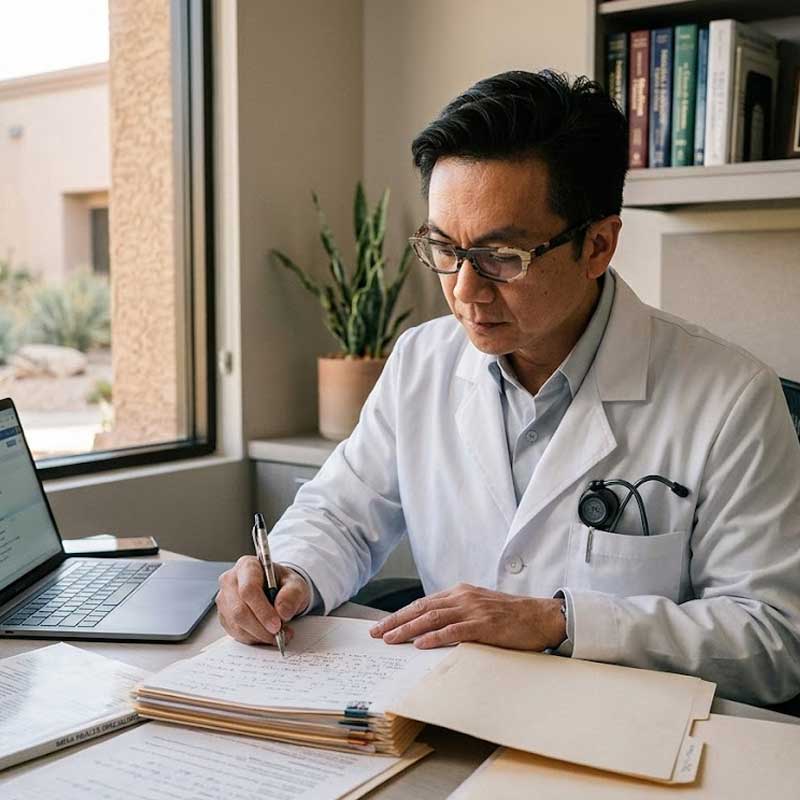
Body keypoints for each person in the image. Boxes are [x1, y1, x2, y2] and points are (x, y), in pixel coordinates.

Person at [216, 70, 800, 705]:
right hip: (451, 714)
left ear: (598, 244)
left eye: (502, 257)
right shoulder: (421, 361)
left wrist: (559, 622)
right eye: (443, 248)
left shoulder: (731, 395)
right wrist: (289, 572)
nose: (465, 291)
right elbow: (342, 514)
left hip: (625, 734)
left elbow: (774, 639)